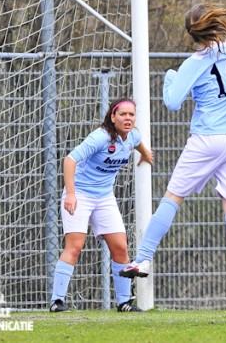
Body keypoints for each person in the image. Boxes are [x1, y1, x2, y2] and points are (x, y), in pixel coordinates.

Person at [120, 2, 226, 309]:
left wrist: (170, 75)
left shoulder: (194, 62)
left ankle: (142, 259)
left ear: (192, 34)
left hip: (207, 138)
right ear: (217, 27)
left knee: (172, 198)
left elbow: (172, 102)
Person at [49, 98, 154, 313]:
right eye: (123, 114)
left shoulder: (133, 135)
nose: (128, 118)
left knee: (121, 247)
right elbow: (69, 160)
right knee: (75, 246)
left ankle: (124, 303)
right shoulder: (101, 137)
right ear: (113, 117)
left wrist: (145, 154)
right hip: (80, 194)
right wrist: (70, 194)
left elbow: (137, 142)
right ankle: (56, 301)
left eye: (131, 115)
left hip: (104, 197)